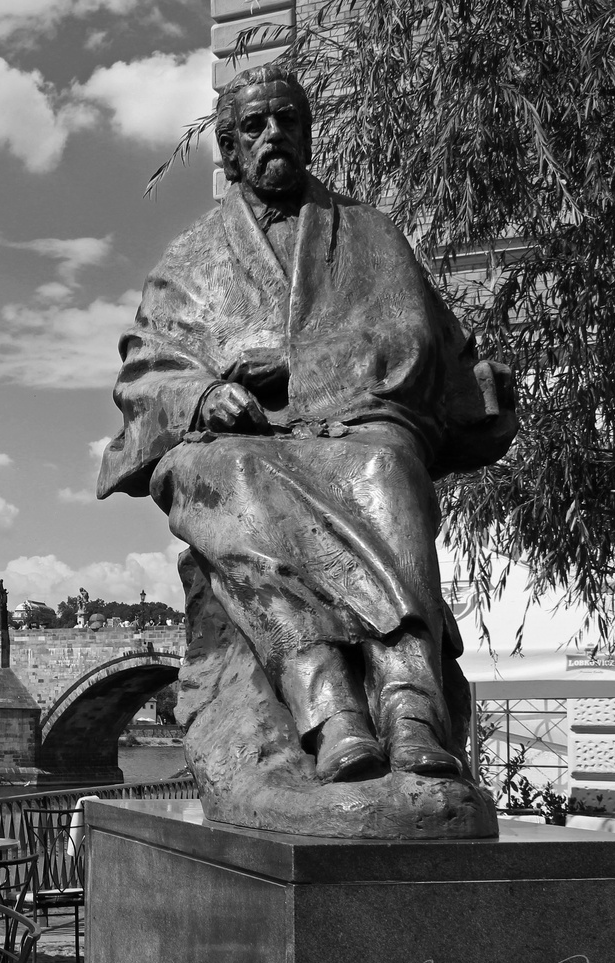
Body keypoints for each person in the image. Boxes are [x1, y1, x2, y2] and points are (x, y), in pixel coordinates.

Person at [98, 65, 515, 784]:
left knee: (385, 469)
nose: (273, 136)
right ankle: (332, 712)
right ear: (228, 152)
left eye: (287, 120)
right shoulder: (190, 258)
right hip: (238, 446)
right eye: (254, 127)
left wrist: (298, 365)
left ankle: (411, 709)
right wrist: (201, 398)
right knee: (223, 476)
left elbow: (414, 342)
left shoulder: (371, 235)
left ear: (308, 133)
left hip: (357, 429)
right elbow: (145, 370)